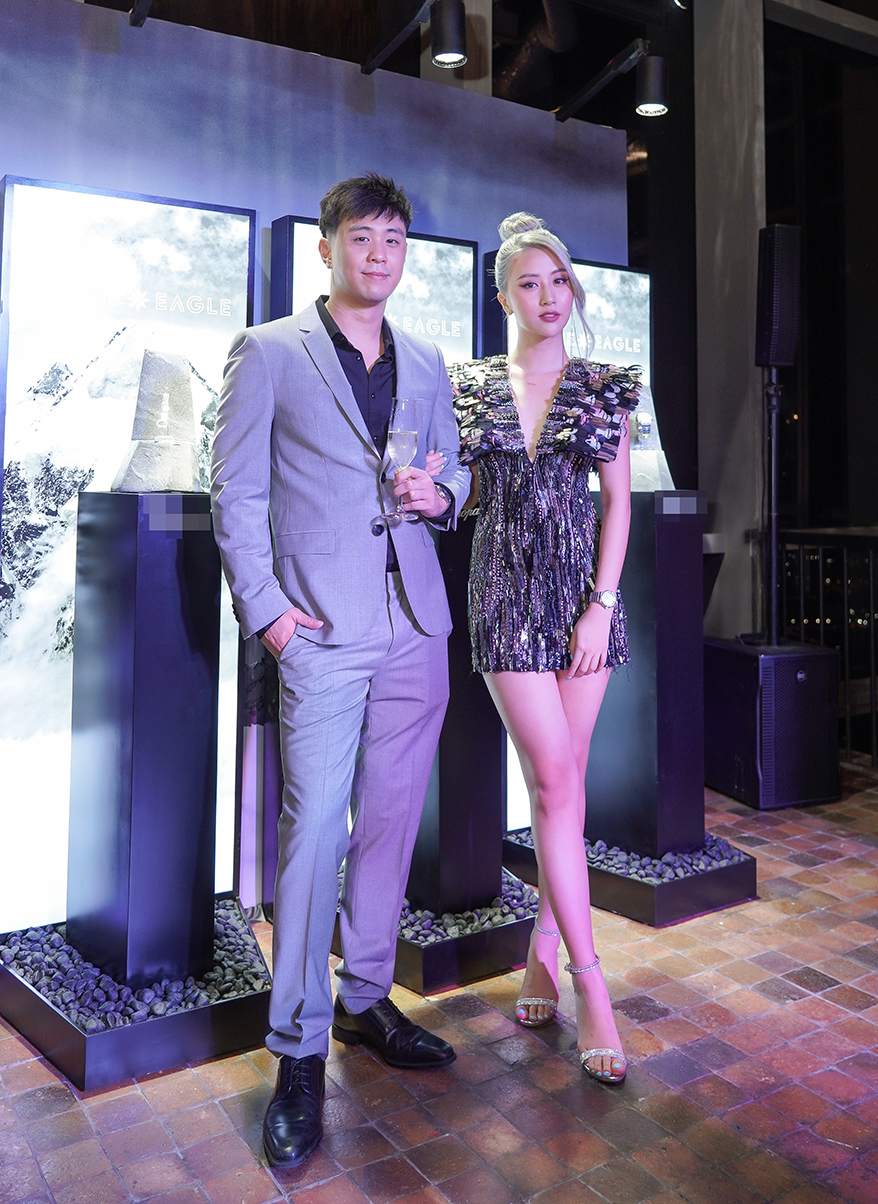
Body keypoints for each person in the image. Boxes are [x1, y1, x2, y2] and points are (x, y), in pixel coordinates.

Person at [210, 173, 471, 1167]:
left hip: (415, 621)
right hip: (318, 627)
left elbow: (453, 474)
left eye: (394, 240)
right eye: (363, 238)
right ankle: (298, 1047)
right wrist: (270, 616)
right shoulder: (270, 351)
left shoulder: (428, 358)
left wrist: (441, 495)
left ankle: (365, 997)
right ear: (326, 249)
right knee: (314, 829)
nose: (380, 255)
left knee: (391, 819)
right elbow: (235, 491)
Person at [437, 213, 640, 1084]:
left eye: (560, 281)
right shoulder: (469, 386)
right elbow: (464, 489)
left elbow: (618, 503)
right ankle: (594, 988)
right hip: (503, 598)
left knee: (566, 782)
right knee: (555, 781)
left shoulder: (602, 386)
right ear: (503, 297)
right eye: (530, 283)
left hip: (582, 604)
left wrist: (601, 605)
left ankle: (543, 954)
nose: (549, 296)